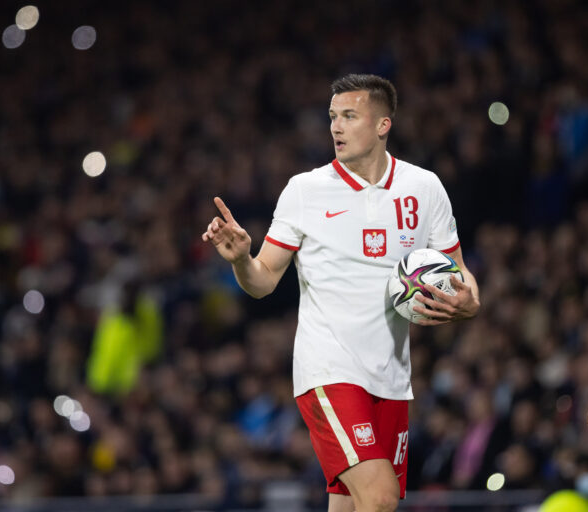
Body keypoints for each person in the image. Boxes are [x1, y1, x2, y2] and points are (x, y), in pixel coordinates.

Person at [202, 74, 480, 512]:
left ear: (383, 124)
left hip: (391, 377)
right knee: (381, 496)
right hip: (329, 371)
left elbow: (460, 272)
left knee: (350, 505)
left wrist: (469, 300)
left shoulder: (424, 189)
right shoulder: (305, 191)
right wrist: (241, 259)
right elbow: (263, 280)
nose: (335, 127)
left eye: (349, 116)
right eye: (332, 117)